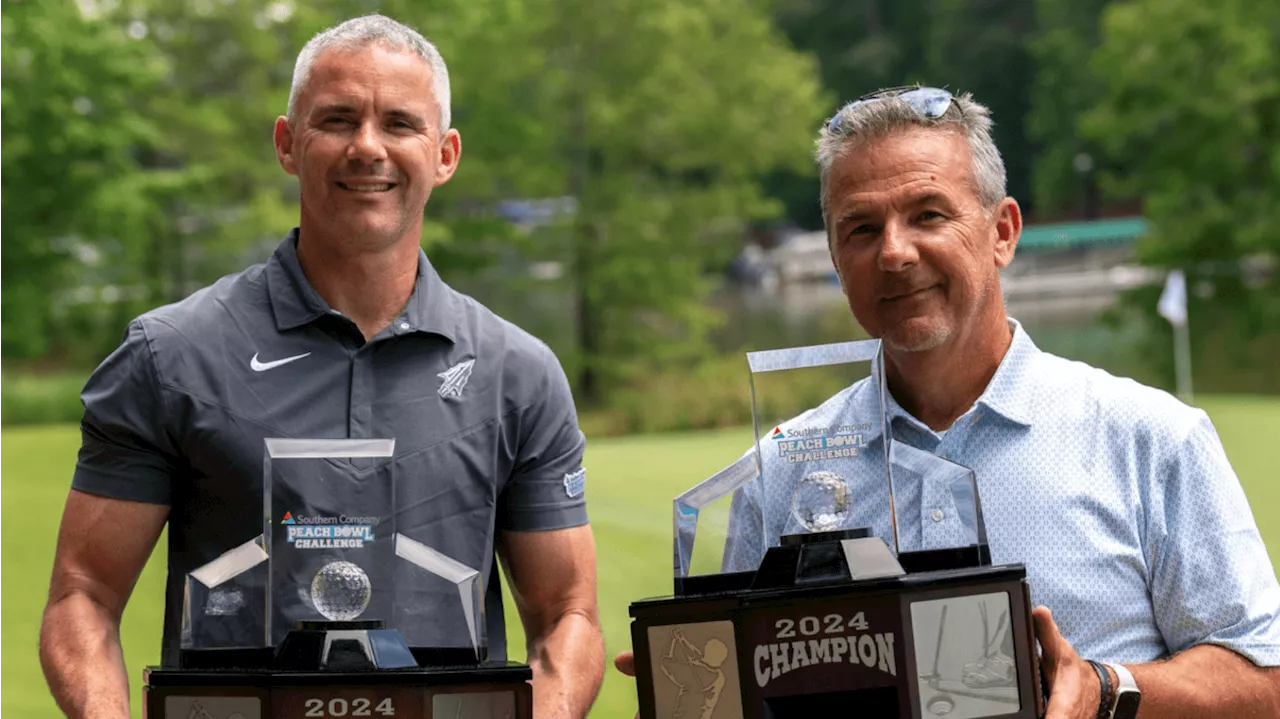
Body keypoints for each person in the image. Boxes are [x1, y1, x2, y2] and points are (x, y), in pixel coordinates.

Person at [616, 86, 1280, 718]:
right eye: (861, 229)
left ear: (1003, 232)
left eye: (928, 214)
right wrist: (701, 688)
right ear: (835, 258)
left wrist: (1108, 688)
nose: (895, 252)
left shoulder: (1151, 438)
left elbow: (1266, 682)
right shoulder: (783, 470)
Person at [39, 14, 604, 719]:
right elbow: (84, 593)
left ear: (445, 154)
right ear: (286, 143)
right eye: (337, 119)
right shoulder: (169, 355)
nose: (367, 146)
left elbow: (567, 613)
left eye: (400, 123)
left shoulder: (518, 372)